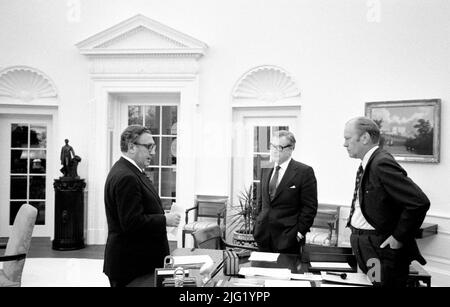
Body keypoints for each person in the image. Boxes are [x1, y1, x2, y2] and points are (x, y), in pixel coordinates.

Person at [343, 117, 430, 287]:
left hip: (377, 248)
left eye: (347, 138)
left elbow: (418, 202)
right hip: (366, 246)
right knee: (373, 284)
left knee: (379, 285)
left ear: (365, 138)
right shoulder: (369, 162)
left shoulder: (381, 162)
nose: (344, 144)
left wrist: (398, 237)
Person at [103, 125, 181, 287]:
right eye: (149, 146)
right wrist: (164, 219)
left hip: (137, 264)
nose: (153, 152)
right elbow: (131, 223)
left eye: (154, 146)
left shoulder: (130, 171)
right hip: (133, 268)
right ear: (131, 147)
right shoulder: (126, 176)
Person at [253, 130, 318, 254]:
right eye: (272, 146)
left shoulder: (304, 172)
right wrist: (257, 225)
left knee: (287, 272)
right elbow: (261, 202)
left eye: (279, 147)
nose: (274, 150)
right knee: (262, 272)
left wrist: (299, 234)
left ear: (291, 148)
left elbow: (310, 208)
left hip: (288, 238)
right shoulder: (266, 169)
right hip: (263, 236)